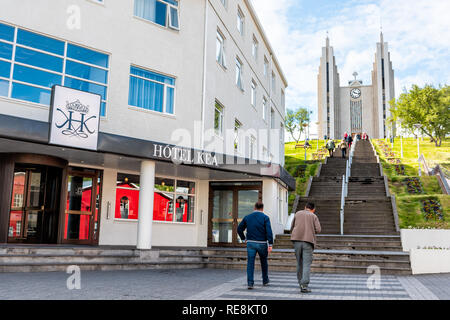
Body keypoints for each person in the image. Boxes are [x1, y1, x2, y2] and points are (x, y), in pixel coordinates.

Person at [237, 202, 273, 290]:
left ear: (254, 207)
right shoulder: (265, 217)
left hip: (251, 243)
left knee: (250, 263)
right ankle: (265, 280)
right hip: (262, 244)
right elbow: (269, 231)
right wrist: (270, 244)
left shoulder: (247, 217)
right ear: (262, 208)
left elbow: (239, 229)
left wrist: (243, 239)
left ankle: (250, 283)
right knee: (264, 262)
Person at [290, 202, 321, 293]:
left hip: (296, 241)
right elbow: (318, 229)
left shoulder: (298, 213)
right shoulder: (313, 216)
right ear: (313, 209)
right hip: (308, 242)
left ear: (305, 207)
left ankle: (300, 282)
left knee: (299, 262)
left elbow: (292, 227)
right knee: (306, 264)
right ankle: (304, 285)